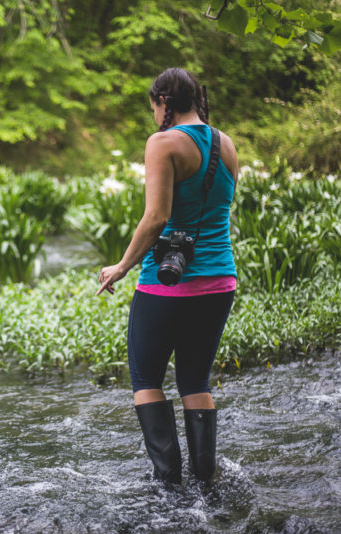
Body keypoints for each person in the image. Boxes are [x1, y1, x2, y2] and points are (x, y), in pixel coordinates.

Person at [96, 67, 239, 484]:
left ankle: (168, 482)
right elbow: (217, 211)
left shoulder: (163, 143)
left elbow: (157, 216)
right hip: (219, 280)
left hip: (167, 285)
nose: (154, 115)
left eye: (154, 106)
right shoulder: (226, 144)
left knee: (145, 379)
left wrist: (121, 266)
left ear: (164, 103)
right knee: (195, 379)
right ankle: (206, 482)